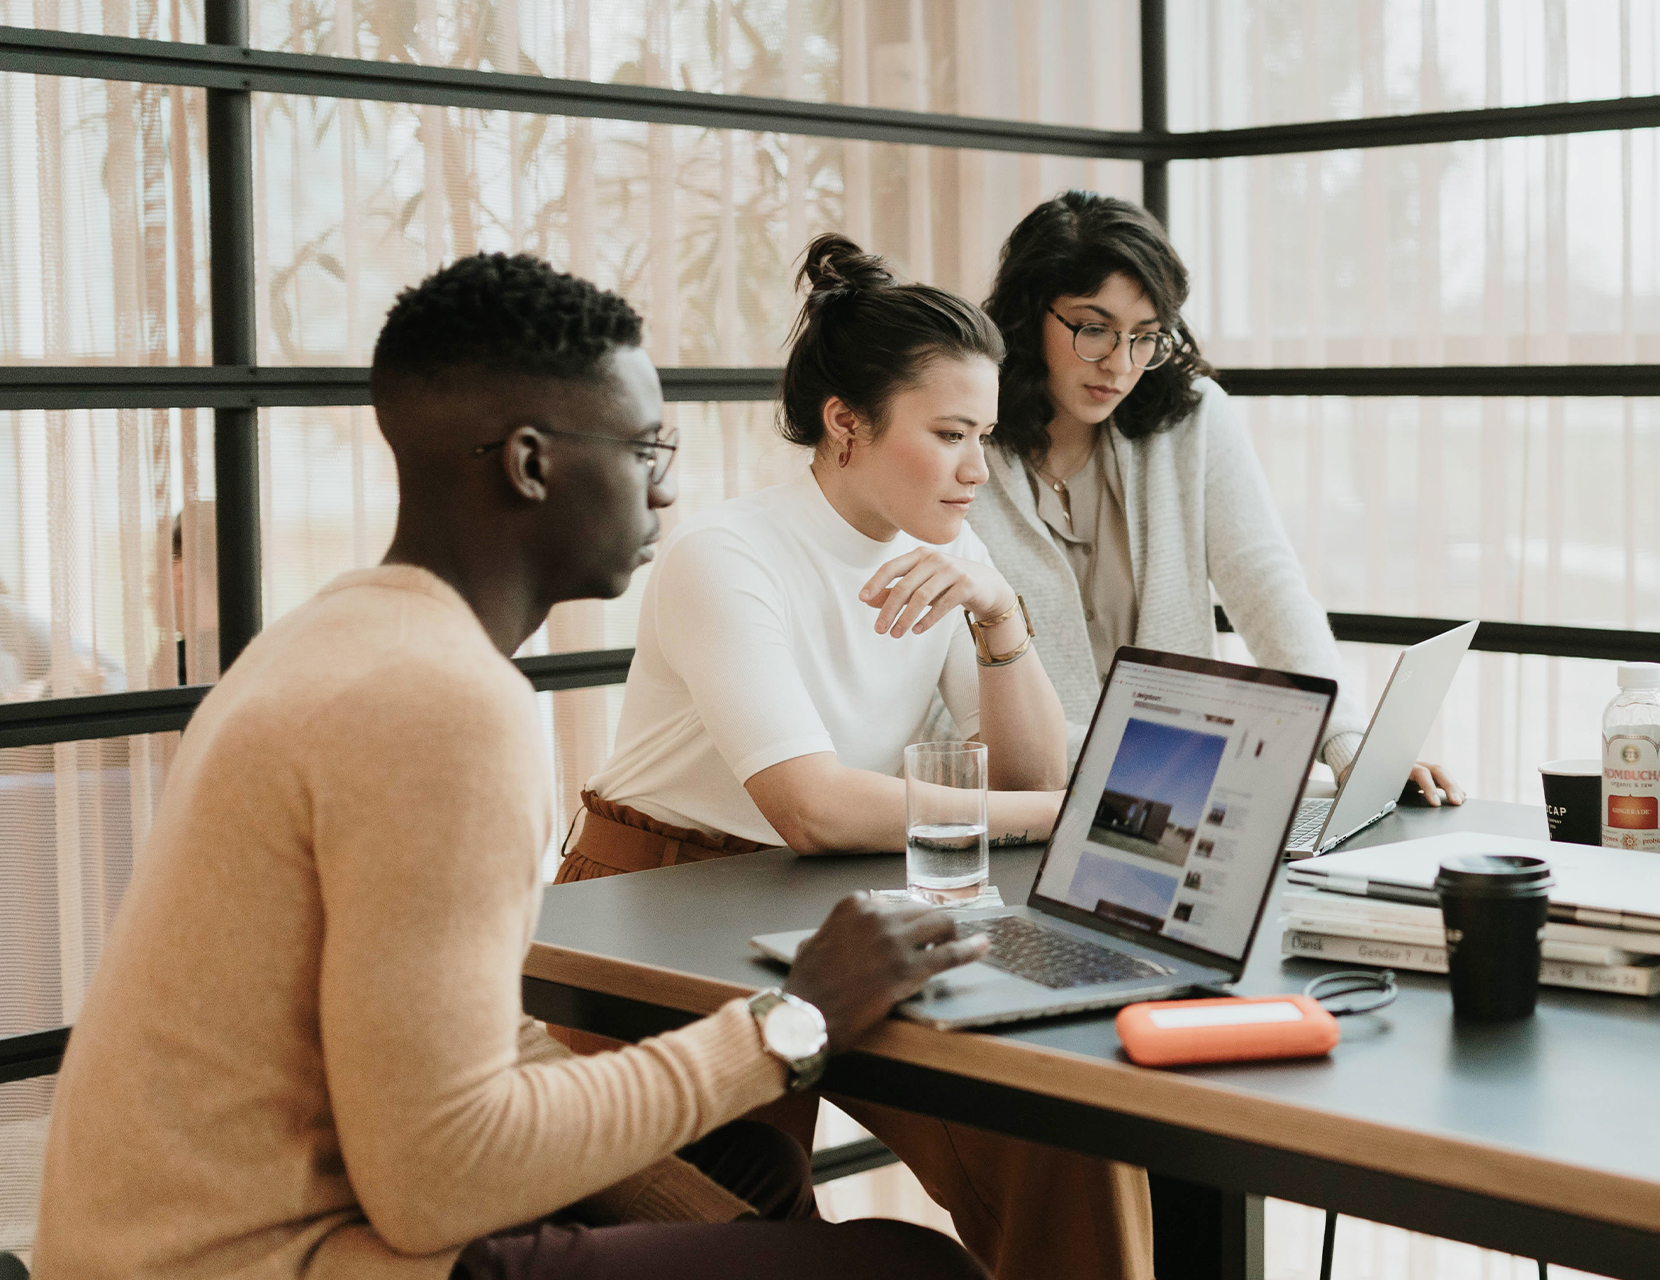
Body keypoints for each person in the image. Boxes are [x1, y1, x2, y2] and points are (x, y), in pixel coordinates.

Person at [34, 252, 993, 1278]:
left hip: (175, 1231)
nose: (667, 490)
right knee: (909, 1266)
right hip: (265, 1255)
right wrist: (792, 1020)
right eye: (644, 448)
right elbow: (438, 1178)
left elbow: (461, 1050)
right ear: (530, 464)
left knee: (748, 1168)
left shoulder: (338, 633)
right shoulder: (442, 703)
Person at [562, 235, 1151, 1280]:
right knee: (753, 1228)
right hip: (655, 912)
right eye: (950, 433)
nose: (980, 467)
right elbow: (816, 807)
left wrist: (1002, 618)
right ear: (846, 424)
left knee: (1063, 1127)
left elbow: (1030, 781)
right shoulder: (726, 557)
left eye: (986, 433)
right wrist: (1068, 818)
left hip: (837, 899)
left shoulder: (949, 547)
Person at [968, 191, 1463, 807]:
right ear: (1026, 315)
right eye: (1094, 329)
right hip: (1028, 803)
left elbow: (1265, 584)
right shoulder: (965, 449)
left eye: (1145, 337)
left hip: (1182, 796)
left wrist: (1347, 744)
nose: (1121, 366)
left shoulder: (1190, 419)